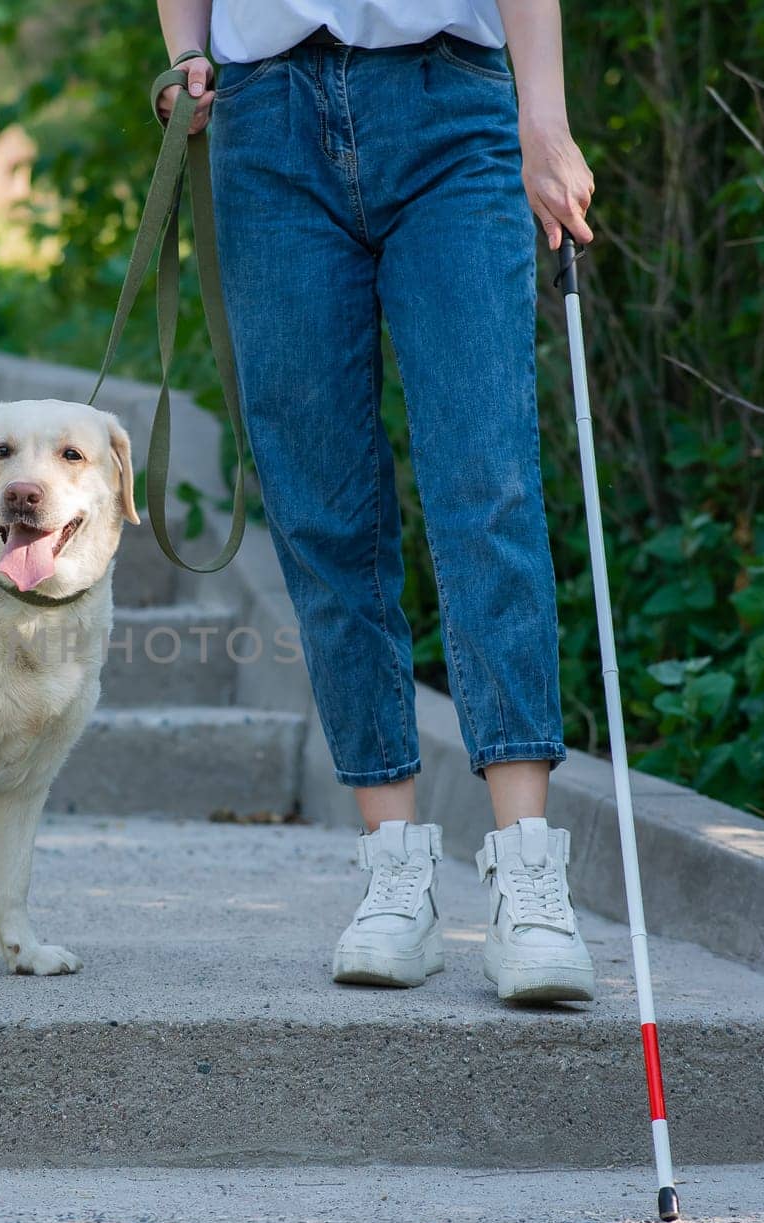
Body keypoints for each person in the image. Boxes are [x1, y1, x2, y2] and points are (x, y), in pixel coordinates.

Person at [154, 0, 599, 1002]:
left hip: (453, 108)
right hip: (265, 121)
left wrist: (545, 115)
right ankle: (394, 869)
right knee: (320, 506)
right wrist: (185, 52)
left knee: (483, 482)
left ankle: (528, 875)